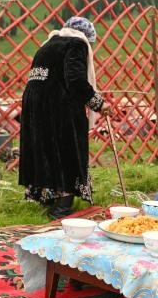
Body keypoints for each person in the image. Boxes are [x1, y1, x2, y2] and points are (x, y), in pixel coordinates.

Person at [18, 16, 110, 219]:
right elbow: (75, 79)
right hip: (58, 104)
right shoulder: (76, 43)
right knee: (67, 149)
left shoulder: (48, 43)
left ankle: (48, 200)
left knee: (44, 150)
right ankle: (62, 206)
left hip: (34, 103)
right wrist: (98, 103)